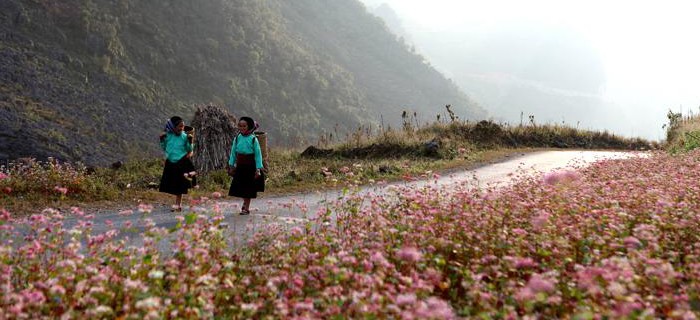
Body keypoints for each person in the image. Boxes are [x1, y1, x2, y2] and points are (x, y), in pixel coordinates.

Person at [158, 116, 196, 212]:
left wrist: (190, 141)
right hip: (171, 163)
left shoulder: (184, 136)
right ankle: (177, 204)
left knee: (179, 186)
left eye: (182, 126)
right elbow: (164, 147)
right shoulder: (168, 136)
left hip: (181, 162)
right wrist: (162, 140)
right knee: (173, 185)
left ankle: (178, 205)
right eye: (179, 126)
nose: (181, 128)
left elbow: (189, 149)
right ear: (173, 127)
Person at [227, 116, 264, 215]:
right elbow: (233, 152)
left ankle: (246, 208)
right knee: (240, 187)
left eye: (244, 126)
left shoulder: (253, 139)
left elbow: (258, 155)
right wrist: (231, 165)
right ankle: (245, 202)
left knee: (248, 188)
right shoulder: (237, 138)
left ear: (249, 126)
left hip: (250, 167)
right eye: (240, 126)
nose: (242, 128)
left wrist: (258, 169)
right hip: (240, 167)